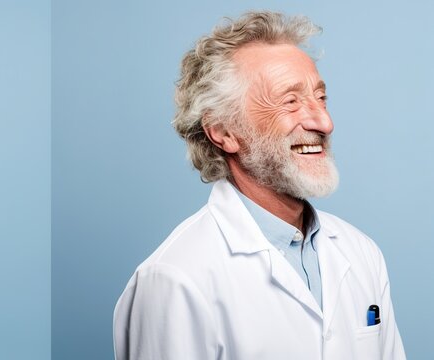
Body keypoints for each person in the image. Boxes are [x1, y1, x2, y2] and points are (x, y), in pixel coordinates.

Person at [113, 11, 406, 360]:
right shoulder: (175, 279)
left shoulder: (361, 253)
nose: (324, 122)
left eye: (320, 98)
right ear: (223, 131)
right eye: (290, 101)